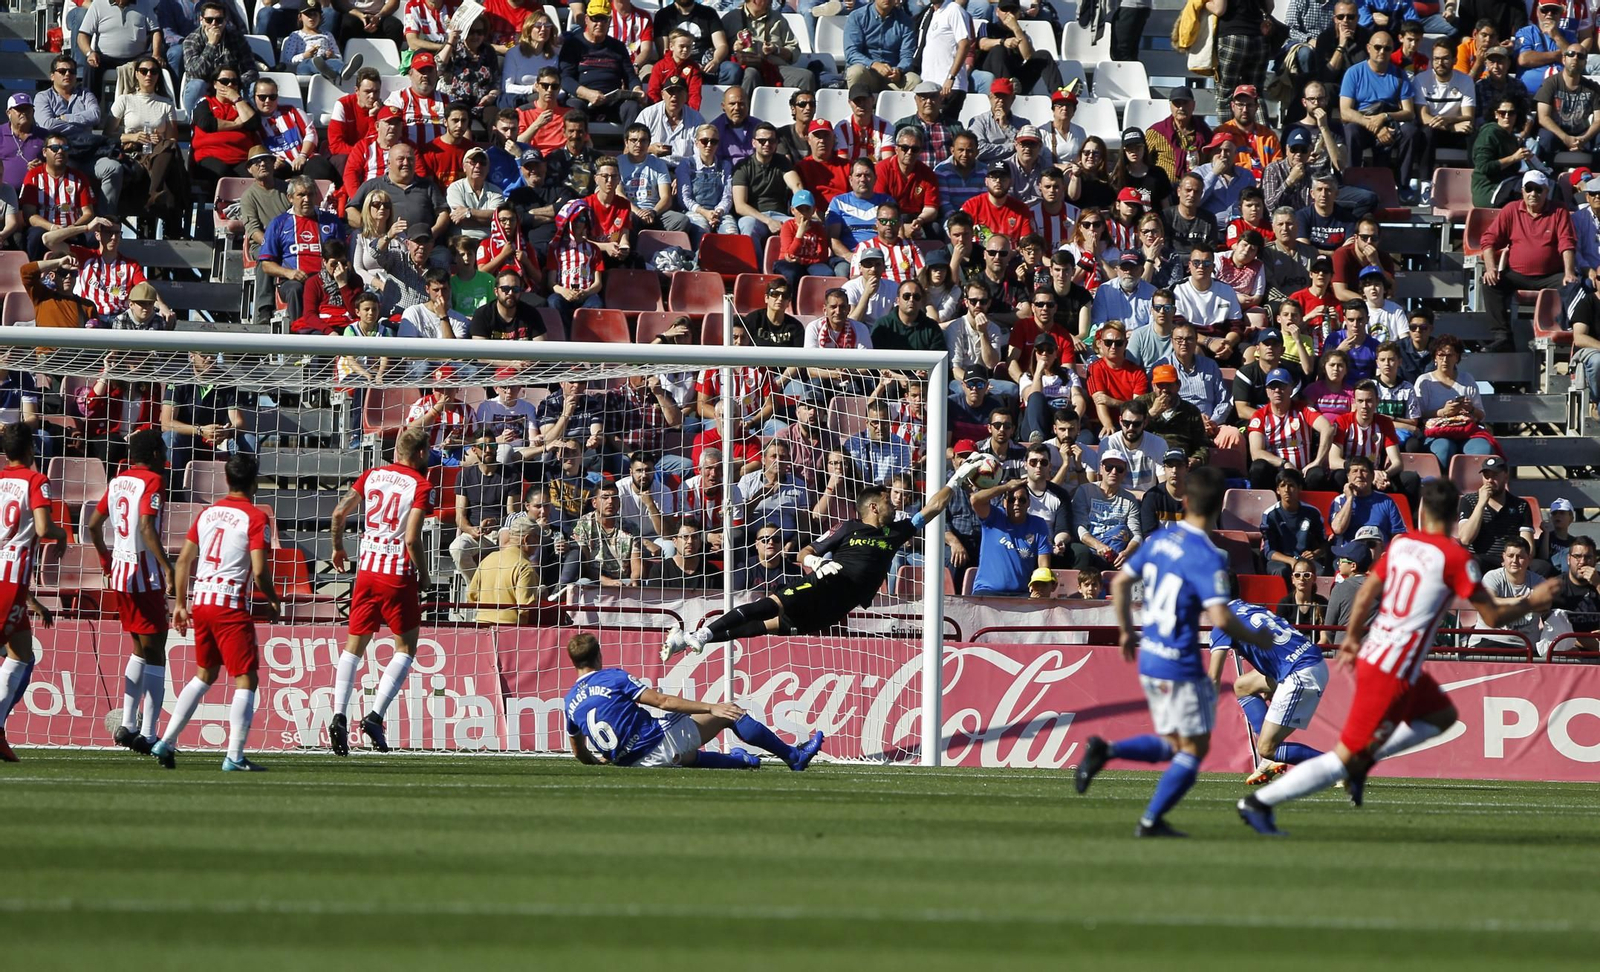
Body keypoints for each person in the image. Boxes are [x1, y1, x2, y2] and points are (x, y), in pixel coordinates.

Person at [1238, 480, 1560, 834]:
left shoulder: (1402, 544)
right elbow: (1495, 617)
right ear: (1456, 516)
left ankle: (1365, 758)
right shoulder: (1455, 558)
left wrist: (1351, 638)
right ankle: (1258, 803)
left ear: (1421, 511)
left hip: (1383, 654)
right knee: (1343, 759)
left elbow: (1366, 591)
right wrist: (1533, 600)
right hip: (1393, 664)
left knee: (1443, 715)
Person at [1075, 466, 1278, 837]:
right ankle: (1149, 818)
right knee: (1194, 750)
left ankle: (1108, 753)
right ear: (1219, 506)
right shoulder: (1209, 554)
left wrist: (1125, 631)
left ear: (1184, 501)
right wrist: (1259, 638)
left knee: (1174, 746)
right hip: (1179, 660)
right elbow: (1219, 614)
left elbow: (1120, 583)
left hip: (1150, 656)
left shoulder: (1158, 541)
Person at [662, 462, 978, 658]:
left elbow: (933, 508)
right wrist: (816, 563)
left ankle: (691, 641)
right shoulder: (849, 529)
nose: (895, 505)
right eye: (887, 501)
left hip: (835, 608)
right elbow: (806, 551)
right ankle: (702, 635)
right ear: (872, 507)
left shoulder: (896, 532)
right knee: (767, 607)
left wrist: (956, 478)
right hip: (822, 586)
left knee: (764, 627)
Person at [149, 453, 281, 772]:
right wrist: (274, 599)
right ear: (254, 482)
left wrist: (180, 604)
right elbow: (260, 571)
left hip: (201, 600)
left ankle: (165, 741)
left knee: (204, 673)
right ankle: (234, 756)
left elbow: (183, 562)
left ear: (226, 480)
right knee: (246, 678)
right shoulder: (256, 516)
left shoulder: (208, 514)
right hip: (229, 603)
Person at [567, 631, 824, 769]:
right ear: (599, 655)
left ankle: (743, 761)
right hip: (656, 744)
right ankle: (793, 757)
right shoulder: (612, 678)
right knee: (728, 712)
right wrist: (711, 706)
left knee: (686, 756)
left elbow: (578, 750)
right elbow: (662, 702)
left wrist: (597, 761)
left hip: (630, 762)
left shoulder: (570, 702)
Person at [326, 427, 434, 757]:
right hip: (396, 574)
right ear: (419, 454)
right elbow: (412, 539)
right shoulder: (420, 484)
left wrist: (337, 548)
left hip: (366, 571)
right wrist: (425, 576)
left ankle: (338, 717)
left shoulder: (372, 474)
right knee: (405, 647)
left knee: (353, 646)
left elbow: (338, 513)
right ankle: (374, 717)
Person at [88, 427, 172, 750]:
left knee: (139, 647)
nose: (166, 455)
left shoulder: (118, 480)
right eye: (163, 450)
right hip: (144, 575)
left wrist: (105, 559)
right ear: (154, 455)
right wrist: (168, 567)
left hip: (120, 574)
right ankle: (149, 734)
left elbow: (94, 525)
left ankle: (126, 725)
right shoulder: (152, 481)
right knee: (156, 653)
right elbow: (147, 528)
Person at [0, 424, 67, 762]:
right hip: (8, 578)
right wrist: (62, 534)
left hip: (11, 580)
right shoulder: (36, 480)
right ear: (29, 449)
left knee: (22, 654)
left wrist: (32, 601)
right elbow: (42, 529)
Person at [1207, 598, 1330, 784]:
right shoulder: (1248, 606)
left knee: (1267, 747)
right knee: (1243, 686)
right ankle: (1269, 760)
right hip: (1309, 660)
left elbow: (1214, 678)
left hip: (1300, 672)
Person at [1480, 169, 1578, 336]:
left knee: (1574, 286)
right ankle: (1501, 335)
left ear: (1546, 192)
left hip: (1551, 275)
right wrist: (1491, 268)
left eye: (1539, 189)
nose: (1533, 193)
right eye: (1529, 188)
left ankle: (1570, 330)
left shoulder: (1559, 210)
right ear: (1522, 191)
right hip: (1517, 274)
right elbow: (1488, 240)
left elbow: (1566, 242)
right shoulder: (1511, 209)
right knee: (1490, 283)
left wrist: (1569, 273)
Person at [1339, 31, 1420, 190]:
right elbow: (1345, 111)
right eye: (1377, 47)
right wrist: (1374, 126)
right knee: (1350, 130)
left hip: (1389, 124)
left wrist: (1384, 116)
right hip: (1362, 123)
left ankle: (1402, 185)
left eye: (1387, 48)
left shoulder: (1399, 75)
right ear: (1369, 48)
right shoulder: (1354, 73)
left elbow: (1409, 112)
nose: (1382, 51)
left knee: (1411, 132)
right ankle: (1349, 182)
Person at [1247, 368, 1332, 490]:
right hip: (1275, 475)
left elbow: (1327, 428)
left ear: (1291, 389)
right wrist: (1284, 463)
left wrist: (1318, 461)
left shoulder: (1303, 409)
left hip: (1302, 473)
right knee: (1258, 466)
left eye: (1282, 386)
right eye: (1272, 387)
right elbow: (1256, 453)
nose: (1277, 391)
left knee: (1317, 474)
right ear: (1267, 391)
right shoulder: (1260, 416)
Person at [560, 6, 645, 127]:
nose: (599, 23)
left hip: (612, 101)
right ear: (586, 19)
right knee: (573, 108)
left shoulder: (617, 47)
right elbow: (565, 79)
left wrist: (637, 89)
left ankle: (632, 145)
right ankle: (578, 145)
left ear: (609, 21)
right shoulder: (573, 45)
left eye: (603, 19)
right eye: (595, 18)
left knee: (632, 107)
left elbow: (630, 76)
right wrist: (587, 94)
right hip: (582, 99)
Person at [965, 479, 1053, 596]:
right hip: (987, 591)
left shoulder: (1038, 524)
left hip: (1022, 594)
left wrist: (1040, 588)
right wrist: (1006, 487)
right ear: (1005, 503)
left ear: (1028, 503)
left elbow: (1043, 564)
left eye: (1022, 500)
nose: (1016, 503)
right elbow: (975, 500)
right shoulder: (994, 517)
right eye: (1012, 500)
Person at [1456, 454, 1535, 573]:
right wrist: (1481, 503)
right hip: (1481, 558)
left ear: (1506, 476)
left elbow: (1528, 547)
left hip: (1511, 560)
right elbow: (1465, 539)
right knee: (1473, 562)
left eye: (1495, 476)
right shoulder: (1469, 501)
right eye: (1486, 476)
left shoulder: (1520, 505)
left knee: (1543, 567)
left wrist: (1513, 560)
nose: (1490, 481)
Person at [1470, 537, 1547, 653]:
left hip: (1524, 647)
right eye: (1510, 556)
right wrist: (1518, 601)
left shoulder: (1539, 582)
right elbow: (1490, 601)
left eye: (1520, 557)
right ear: (1504, 557)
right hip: (1488, 642)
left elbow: (1545, 606)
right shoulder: (1492, 577)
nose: (1514, 561)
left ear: (1529, 559)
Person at [1070, 452, 1143, 572]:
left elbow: (1136, 535)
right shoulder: (1085, 491)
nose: (1114, 472)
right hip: (1090, 547)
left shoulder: (1129, 499)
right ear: (1101, 469)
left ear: (1124, 473)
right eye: (1109, 468)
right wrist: (1098, 545)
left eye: (1119, 469)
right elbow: (1079, 527)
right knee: (1081, 553)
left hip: (1117, 550)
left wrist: (1127, 553)